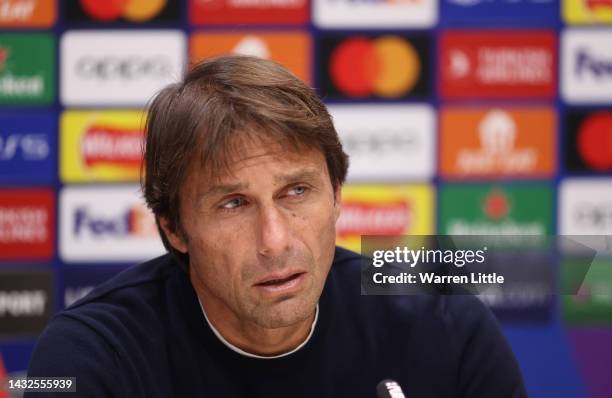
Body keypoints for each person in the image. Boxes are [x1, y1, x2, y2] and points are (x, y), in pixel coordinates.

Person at [26, 55, 526, 397]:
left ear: (337, 196)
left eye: (296, 193)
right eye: (233, 203)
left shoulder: (446, 326)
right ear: (174, 228)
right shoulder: (92, 356)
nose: (275, 240)